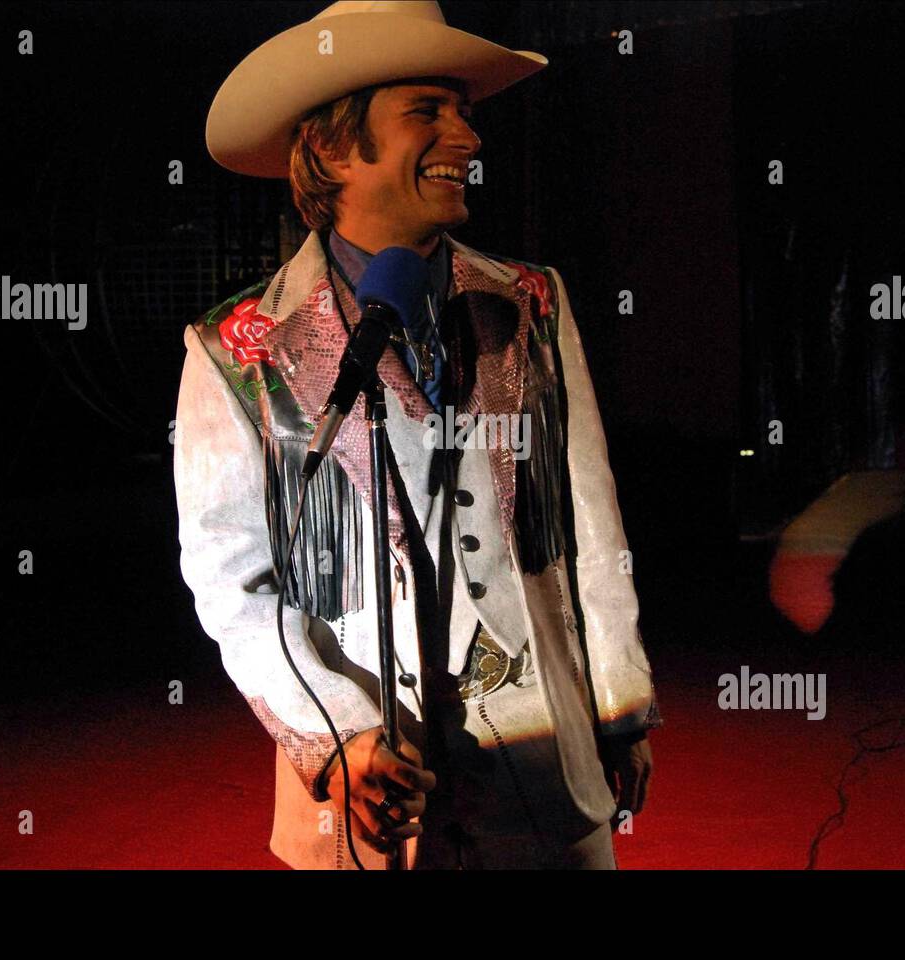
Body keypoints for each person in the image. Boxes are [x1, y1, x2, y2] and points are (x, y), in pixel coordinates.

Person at [174, 0, 659, 870]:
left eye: (464, 113)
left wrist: (618, 705)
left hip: (548, 775)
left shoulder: (533, 303)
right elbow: (230, 581)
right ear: (329, 147)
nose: (466, 139)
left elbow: (593, 525)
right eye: (426, 112)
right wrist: (340, 736)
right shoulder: (234, 347)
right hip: (365, 799)